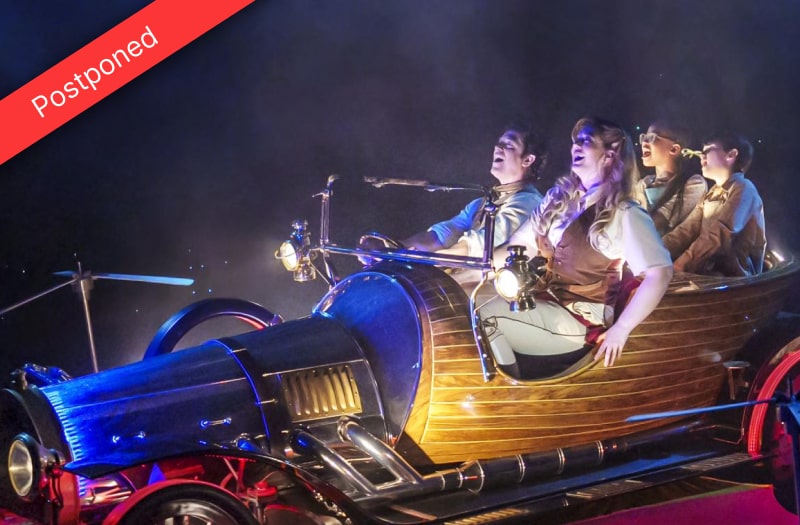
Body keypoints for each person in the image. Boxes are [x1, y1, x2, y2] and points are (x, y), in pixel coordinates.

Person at [480, 117, 673, 378]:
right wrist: (468, 272)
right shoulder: (557, 201)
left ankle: (503, 397)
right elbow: (518, 245)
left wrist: (622, 329)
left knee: (481, 315)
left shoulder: (624, 213)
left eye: (586, 141)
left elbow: (659, 272)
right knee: (464, 302)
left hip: (579, 321)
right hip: (544, 303)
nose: (575, 147)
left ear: (609, 154)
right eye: (575, 142)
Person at [401, 125, 545, 258]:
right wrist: (398, 247)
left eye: (508, 145)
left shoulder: (529, 202)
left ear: (527, 160)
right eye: (498, 143)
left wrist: (434, 261)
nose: (497, 148)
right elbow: (444, 234)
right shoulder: (480, 204)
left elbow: (483, 242)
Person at [661, 133, 766, 276]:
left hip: (734, 279)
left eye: (708, 150)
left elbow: (720, 232)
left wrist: (681, 263)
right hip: (706, 271)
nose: (701, 156)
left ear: (731, 155)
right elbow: (686, 229)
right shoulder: (712, 193)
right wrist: (657, 249)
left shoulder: (744, 188)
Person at [636, 120, 707, 236]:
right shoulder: (644, 183)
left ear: (674, 149)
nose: (644, 142)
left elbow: (657, 222)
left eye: (652, 137)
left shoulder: (693, 184)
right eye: (644, 137)